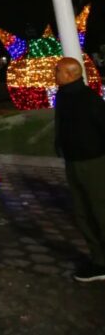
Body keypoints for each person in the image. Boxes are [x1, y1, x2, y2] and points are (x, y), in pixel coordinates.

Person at [54, 56, 105, 282]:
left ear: (70, 74)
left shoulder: (88, 99)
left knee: (98, 210)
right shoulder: (64, 96)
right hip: (73, 161)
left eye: (58, 71)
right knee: (83, 212)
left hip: (92, 162)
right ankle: (98, 260)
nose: (54, 74)